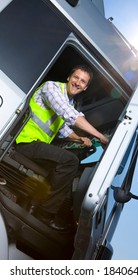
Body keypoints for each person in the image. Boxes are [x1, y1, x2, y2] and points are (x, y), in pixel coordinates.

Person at [15, 65, 109, 231]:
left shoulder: (69, 101)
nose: (77, 82)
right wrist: (100, 136)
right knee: (69, 161)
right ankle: (45, 213)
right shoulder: (51, 88)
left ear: (85, 87)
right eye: (76, 77)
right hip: (24, 141)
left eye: (83, 81)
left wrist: (79, 138)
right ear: (69, 77)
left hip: (36, 144)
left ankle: (34, 206)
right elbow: (69, 114)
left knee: (71, 171)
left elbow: (62, 129)